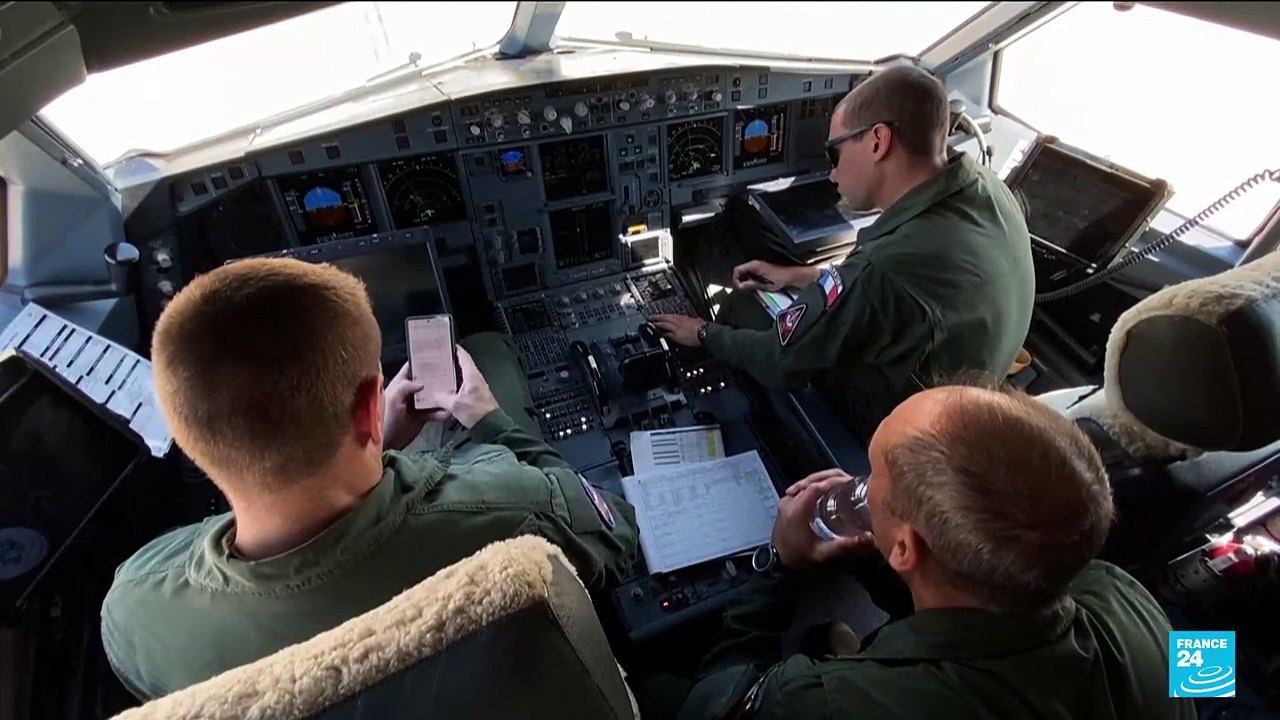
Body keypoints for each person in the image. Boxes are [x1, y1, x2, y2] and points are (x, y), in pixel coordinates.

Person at [100, 258, 639, 700]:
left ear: (189, 437)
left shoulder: (135, 609)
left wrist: (374, 446)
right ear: (369, 407)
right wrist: (492, 422)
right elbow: (618, 533)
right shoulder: (513, 510)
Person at [672, 382, 1194, 720]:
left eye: (873, 476)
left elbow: (709, 707)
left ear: (906, 547)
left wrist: (778, 566)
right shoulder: (1128, 594)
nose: (858, 486)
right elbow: (1206, 688)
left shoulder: (824, 702)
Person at [650, 65, 1035, 445]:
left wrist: (702, 332)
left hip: (907, 432)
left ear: (878, 141)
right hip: (967, 393)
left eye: (833, 153)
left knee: (743, 307)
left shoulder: (883, 268)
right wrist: (795, 275)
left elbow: (778, 358)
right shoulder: (990, 189)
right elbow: (880, 284)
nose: (832, 174)